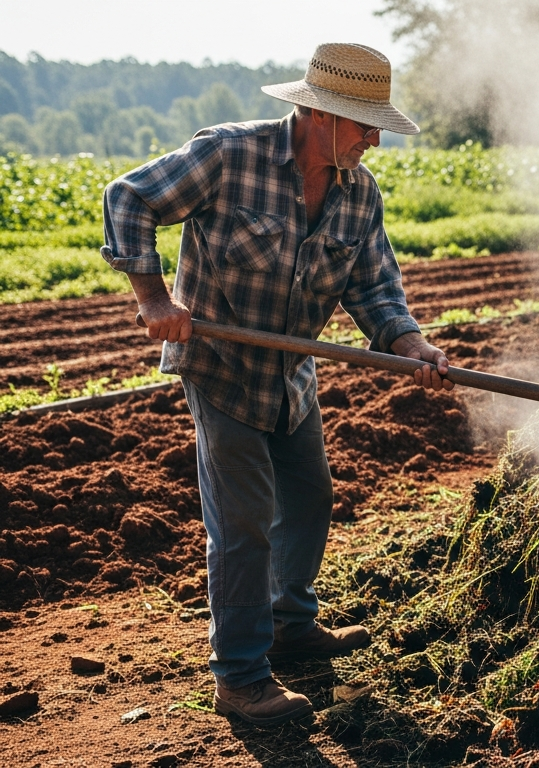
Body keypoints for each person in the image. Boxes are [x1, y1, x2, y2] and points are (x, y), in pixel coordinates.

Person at [100, 43, 452, 726]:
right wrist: (152, 298)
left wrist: (410, 342)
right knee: (243, 522)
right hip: (221, 370)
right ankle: (239, 675)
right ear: (319, 113)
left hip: (290, 374)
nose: (375, 139)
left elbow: (375, 286)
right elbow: (128, 198)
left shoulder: (358, 195)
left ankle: (291, 625)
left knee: (311, 498)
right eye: (364, 124)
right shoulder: (228, 157)